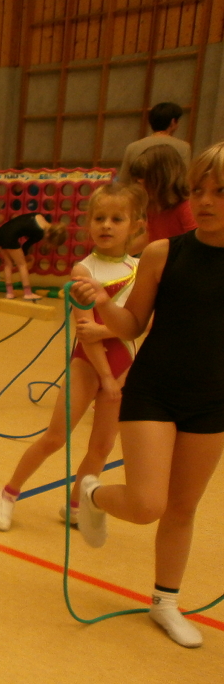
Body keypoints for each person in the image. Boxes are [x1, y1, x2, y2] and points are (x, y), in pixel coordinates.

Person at [72, 144, 224, 650]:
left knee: (182, 507)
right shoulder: (163, 252)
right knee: (145, 504)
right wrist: (101, 302)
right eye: (198, 190)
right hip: (154, 391)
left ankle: (165, 602)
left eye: (220, 191)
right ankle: (92, 493)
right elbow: (132, 324)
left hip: (212, 399)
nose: (206, 201)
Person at [0, 183, 145, 532]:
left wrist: (111, 336)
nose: (106, 225)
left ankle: (76, 506)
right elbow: (86, 331)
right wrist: (106, 374)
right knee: (56, 438)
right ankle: (8, 493)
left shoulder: (139, 268)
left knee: (102, 446)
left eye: (116, 219)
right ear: (88, 224)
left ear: (135, 226)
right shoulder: (83, 271)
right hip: (88, 364)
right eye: (99, 218)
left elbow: (142, 323)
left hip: (125, 363)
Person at [128, 144, 195, 252]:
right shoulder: (154, 205)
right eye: (138, 182)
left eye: (145, 181)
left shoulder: (187, 208)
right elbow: (149, 236)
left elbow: (194, 246)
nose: (141, 187)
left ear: (164, 180)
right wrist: (117, 254)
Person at [0, 211, 68, 300]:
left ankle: (9, 293)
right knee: (22, 265)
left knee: (8, 264)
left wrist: (25, 255)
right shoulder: (40, 233)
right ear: (49, 236)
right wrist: (28, 258)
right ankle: (27, 293)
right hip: (10, 237)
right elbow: (26, 246)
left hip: (0, 232)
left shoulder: (40, 216)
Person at [119, 102, 193, 183]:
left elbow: (123, 181)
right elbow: (185, 180)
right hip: (168, 191)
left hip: (139, 190)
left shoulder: (133, 147)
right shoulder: (183, 147)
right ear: (173, 122)